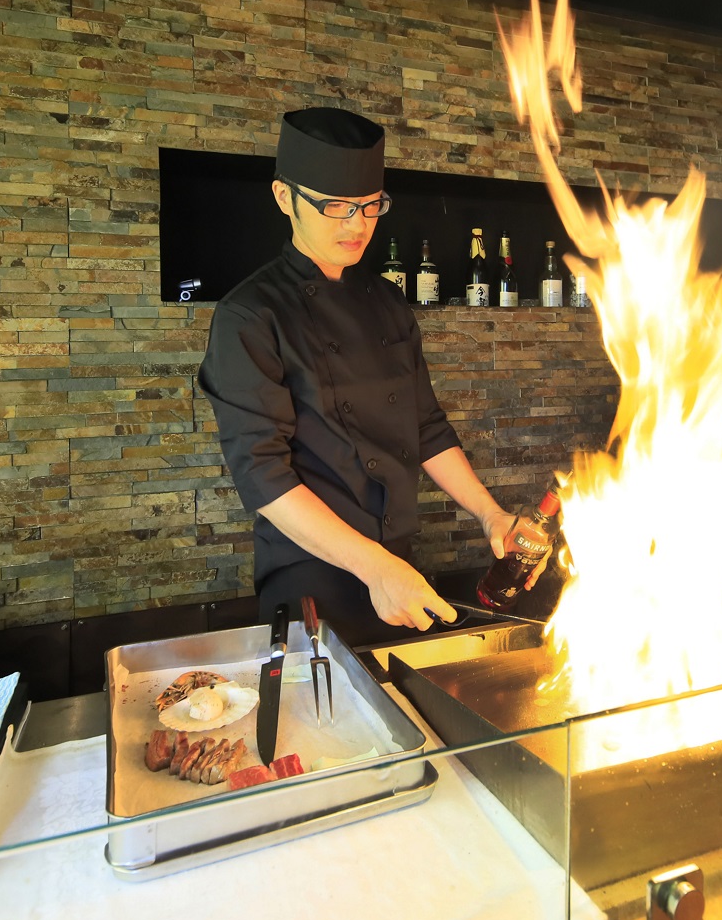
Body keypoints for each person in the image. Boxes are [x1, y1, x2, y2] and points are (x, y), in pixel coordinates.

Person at [199, 107, 548, 645]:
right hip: (310, 577)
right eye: (336, 206)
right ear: (283, 197)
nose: (357, 225)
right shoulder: (249, 317)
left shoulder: (387, 302)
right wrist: (374, 567)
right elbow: (263, 476)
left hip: (397, 567)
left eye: (369, 207)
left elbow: (427, 427)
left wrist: (489, 514)